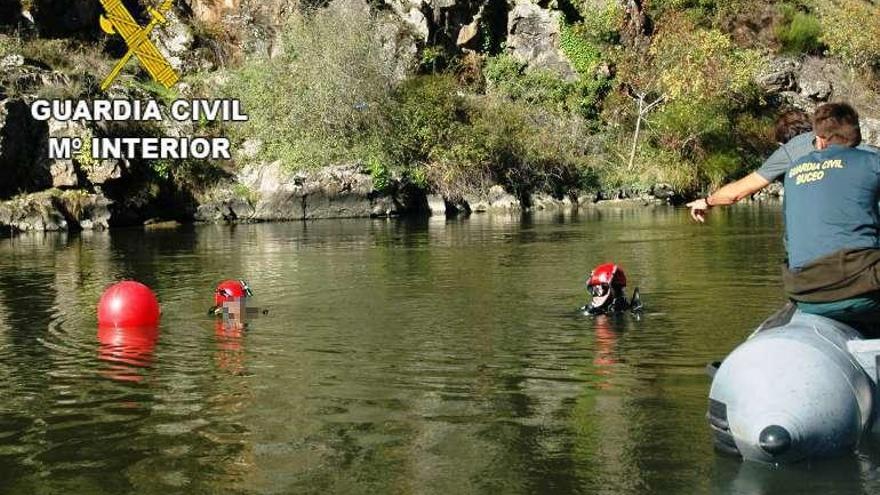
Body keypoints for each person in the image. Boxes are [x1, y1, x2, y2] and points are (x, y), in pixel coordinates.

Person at [781, 103, 880, 334]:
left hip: (804, 292)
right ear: (857, 134)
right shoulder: (873, 163)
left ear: (820, 139)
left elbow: (788, 240)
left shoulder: (793, 171)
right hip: (862, 288)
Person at [687, 109, 880, 222]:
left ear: (782, 143)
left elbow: (736, 193)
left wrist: (706, 201)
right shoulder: (866, 152)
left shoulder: (789, 152)